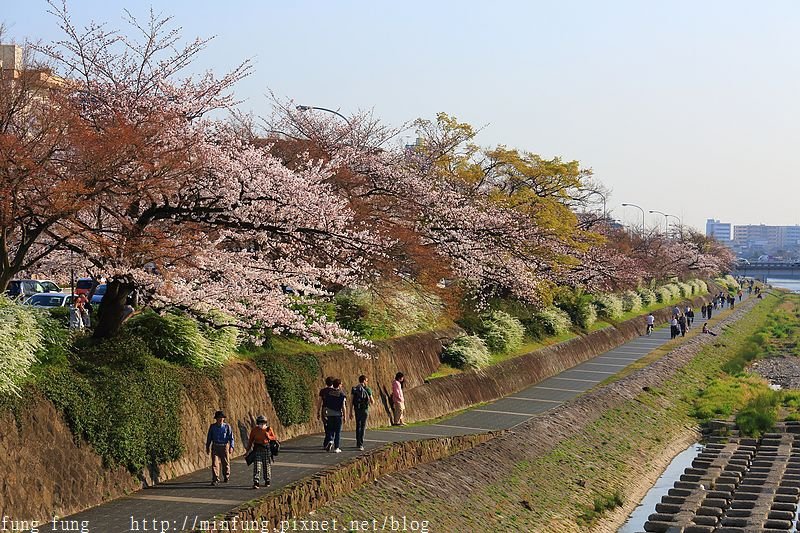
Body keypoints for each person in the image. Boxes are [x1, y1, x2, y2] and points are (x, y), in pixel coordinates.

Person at [246, 415, 277, 489]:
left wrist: (268, 436)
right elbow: (250, 440)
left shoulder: (269, 429)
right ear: (257, 423)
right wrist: (247, 450)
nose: (262, 424)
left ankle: (267, 480)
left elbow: (274, 438)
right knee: (257, 466)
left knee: (267, 466)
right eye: (260, 422)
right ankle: (256, 482)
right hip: (257, 449)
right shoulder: (254, 430)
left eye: (263, 422)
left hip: (266, 449)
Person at [205, 410, 234, 486]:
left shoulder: (227, 426)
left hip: (224, 446)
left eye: (222, 418)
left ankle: (226, 476)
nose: (220, 419)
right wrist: (207, 446)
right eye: (219, 418)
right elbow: (209, 437)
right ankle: (215, 478)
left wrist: (231, 446)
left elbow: (231, 438)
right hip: (215, 446)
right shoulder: (212, 427)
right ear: (216, 419)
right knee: (215, 463)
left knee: (225, 462)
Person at [350, 375, 375, 451]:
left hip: (357, 409)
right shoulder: (368, 389)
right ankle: (361, 444)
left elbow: (351, 401)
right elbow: (372, 401)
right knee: (363, 426)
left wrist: (350, 411)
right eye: (366, 381)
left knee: (358, 425)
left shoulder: (354, 389)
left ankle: (358, 443)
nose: (367, 382)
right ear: (364, 381)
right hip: (364, 410)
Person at [322, 378, 347, 452]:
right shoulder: (341, 394)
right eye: (341, 384)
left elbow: (325, 404)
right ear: (339, 385)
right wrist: (345, 416)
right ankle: (336, 447)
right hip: (338, 414)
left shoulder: (328, 393)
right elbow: (343, 406)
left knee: (330, 429)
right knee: (338, 431)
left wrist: (324, 413)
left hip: (329, 414)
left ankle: (330, 440)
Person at [317, 376, 335, 449]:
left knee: (326, 425)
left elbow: (319, 402)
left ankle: (326, 442)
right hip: (333, 410)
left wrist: (318, 411)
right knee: (333, 426)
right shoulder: (335, 391)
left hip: (324, 409)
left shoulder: (323, 391)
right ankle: (330, 440)